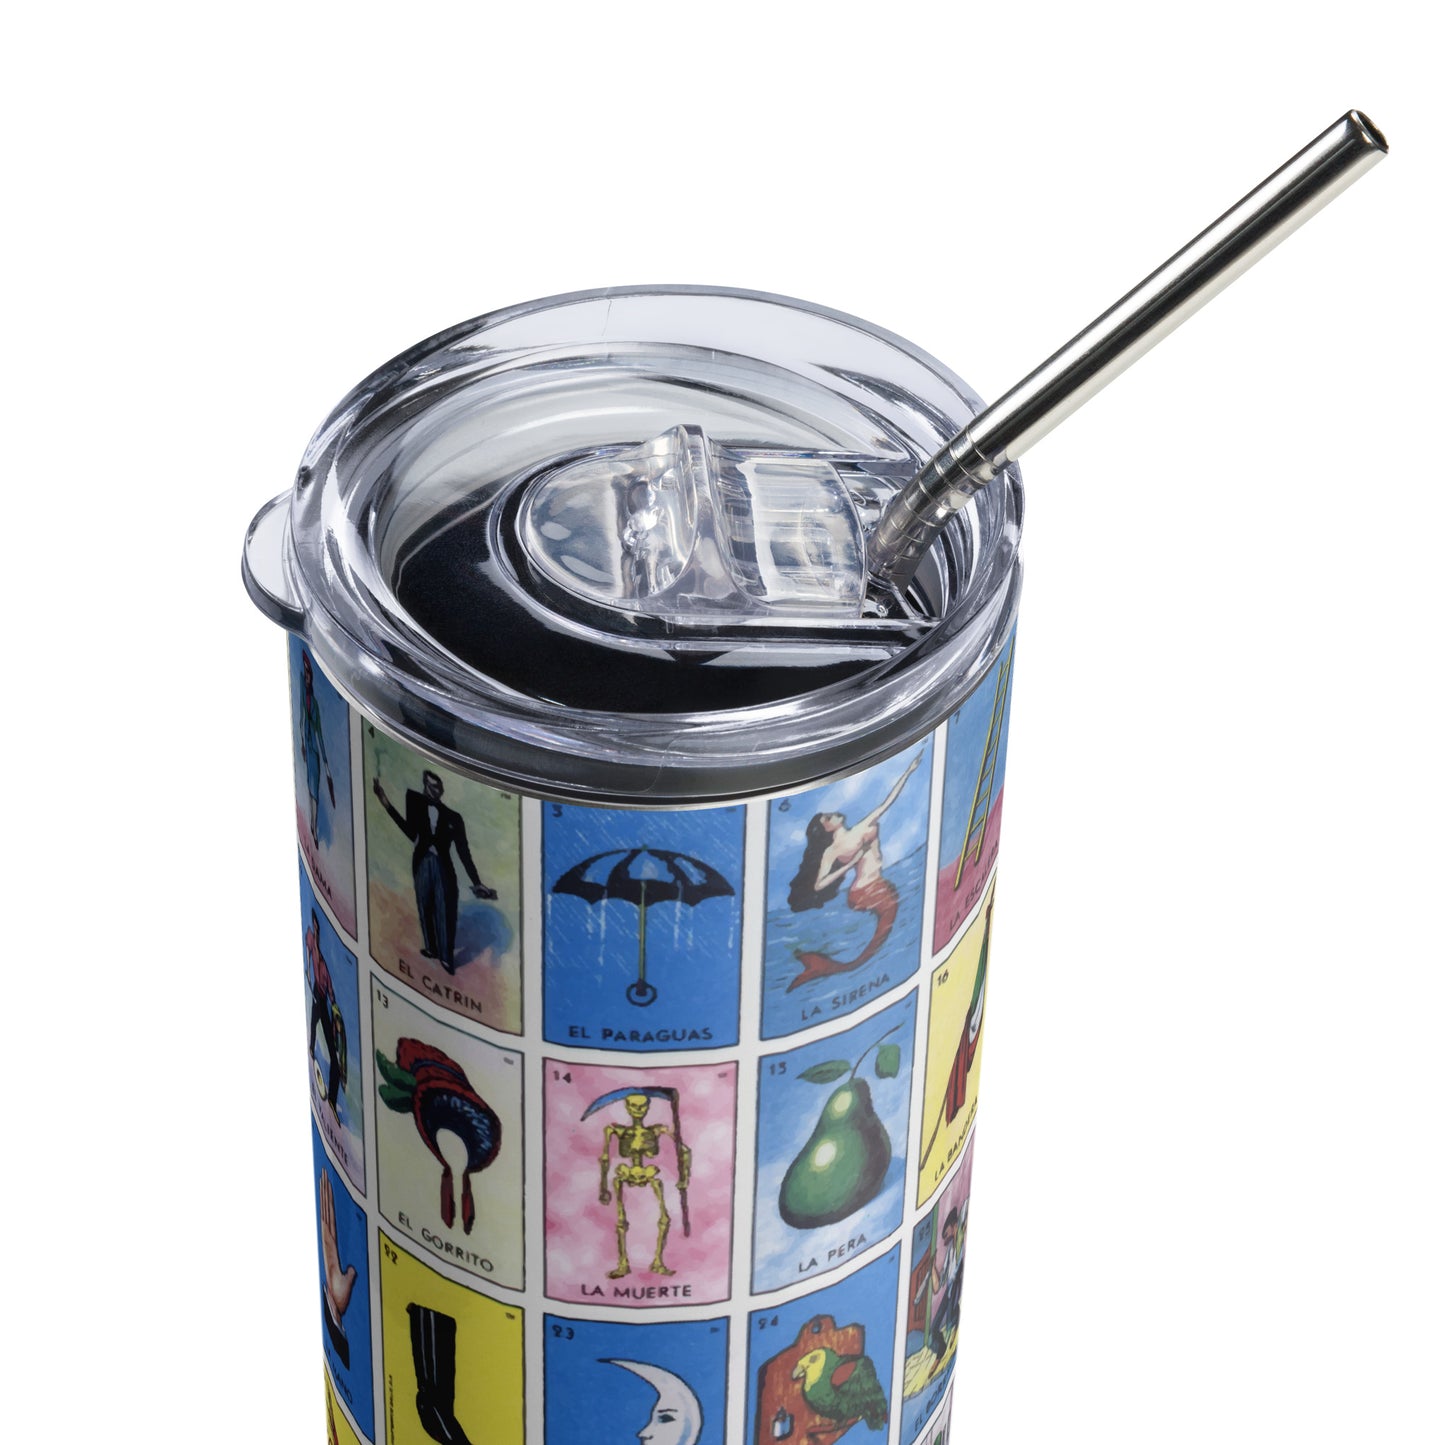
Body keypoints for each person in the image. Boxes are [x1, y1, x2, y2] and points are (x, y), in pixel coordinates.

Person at [784, 752, 922, 991]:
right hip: (865, 891)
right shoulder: (831, 851)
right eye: (827, 817)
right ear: (827, 828)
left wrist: (909, 771)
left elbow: (887, 803)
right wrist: (851, 864)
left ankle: (829, 966)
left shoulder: (861, 827)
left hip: (878, 885)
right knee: (880, 937)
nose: (832, 814)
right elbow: (819, 885)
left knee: (880, 939)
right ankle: (832, 966)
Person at [373, 769, 496, 972]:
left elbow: (464, 853)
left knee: (445, 909)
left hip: (443, 867)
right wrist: (386, 803)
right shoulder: (414, 801)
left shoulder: (453, 817)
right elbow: (410, 832)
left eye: (438, 787)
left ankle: (446, 958)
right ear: (425, 784)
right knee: (425, 905)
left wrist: (477, 882)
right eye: (431, 786)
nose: (434, 790)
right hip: (422, 862)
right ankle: (431, 948)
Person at [306, 909, 345, 1114]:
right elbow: (309, 954)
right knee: (313, 1024)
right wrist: (308, 971)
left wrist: (336, 1016)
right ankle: (312, 1050)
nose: (317, 933)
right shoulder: (313, 947)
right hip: (317, 995)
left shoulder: (325, 969)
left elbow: (332, 997)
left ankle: (332, 1099)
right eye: (315, 928)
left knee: (333, 1058)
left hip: (322, 1000)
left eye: (318, 929)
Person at [297, 650, 335, 846]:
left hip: (316, 754)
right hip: (308, 749)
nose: (307, 677)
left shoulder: (316, 706)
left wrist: (327, 766)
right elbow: (302, 720)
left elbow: (320, 735)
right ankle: (312, 827)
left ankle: (313, 825)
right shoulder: (304, 697)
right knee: (309, 788)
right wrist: (302, 743)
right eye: (306, 673)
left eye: (308, 674)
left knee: (315, 793)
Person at [927, 1203, 966, 1364]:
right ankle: (940, 1350)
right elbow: (937, 1286)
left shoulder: (961, 1241)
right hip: (949, 1289)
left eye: (947, 1231)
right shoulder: (950, 1252)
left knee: (951, 1319)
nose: (946, 1235)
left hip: (955, 1288)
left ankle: (955, 1322)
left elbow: (964, 1209)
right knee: (933, 1329)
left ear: (954, 1225)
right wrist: (932, 1268)